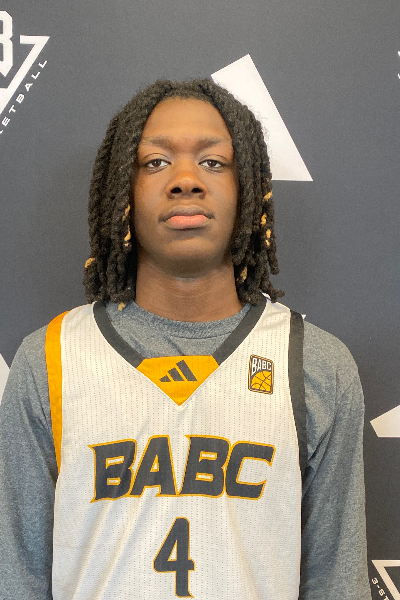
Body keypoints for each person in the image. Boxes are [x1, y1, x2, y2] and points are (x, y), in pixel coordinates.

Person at [0, 79, 371, 600]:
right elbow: (17, 575)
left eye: (213, 162)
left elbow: (337, 582)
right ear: (122, 192)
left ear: (248, 190)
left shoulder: (316, 364)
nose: (186, 181)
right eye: (155, 162)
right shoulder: (49, 359)